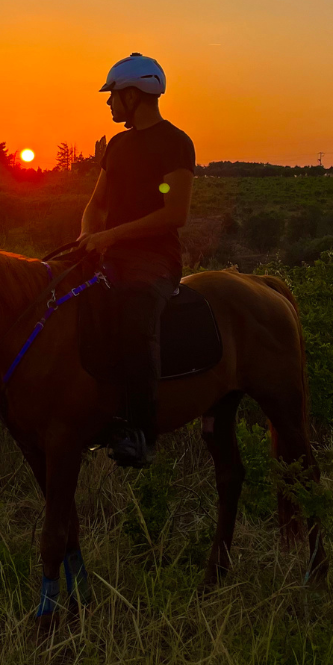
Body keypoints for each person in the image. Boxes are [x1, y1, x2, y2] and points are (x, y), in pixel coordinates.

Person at [77, 53, 195, 466]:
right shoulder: (118, 145)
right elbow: (95, 204)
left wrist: (111, 235)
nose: (109, 103)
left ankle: (141, 432)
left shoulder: (175, 143)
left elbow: (174, 213)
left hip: (155, 259)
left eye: (113, 95)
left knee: (135, 311)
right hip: (111, 251)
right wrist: (86, 237)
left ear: (133, 95)